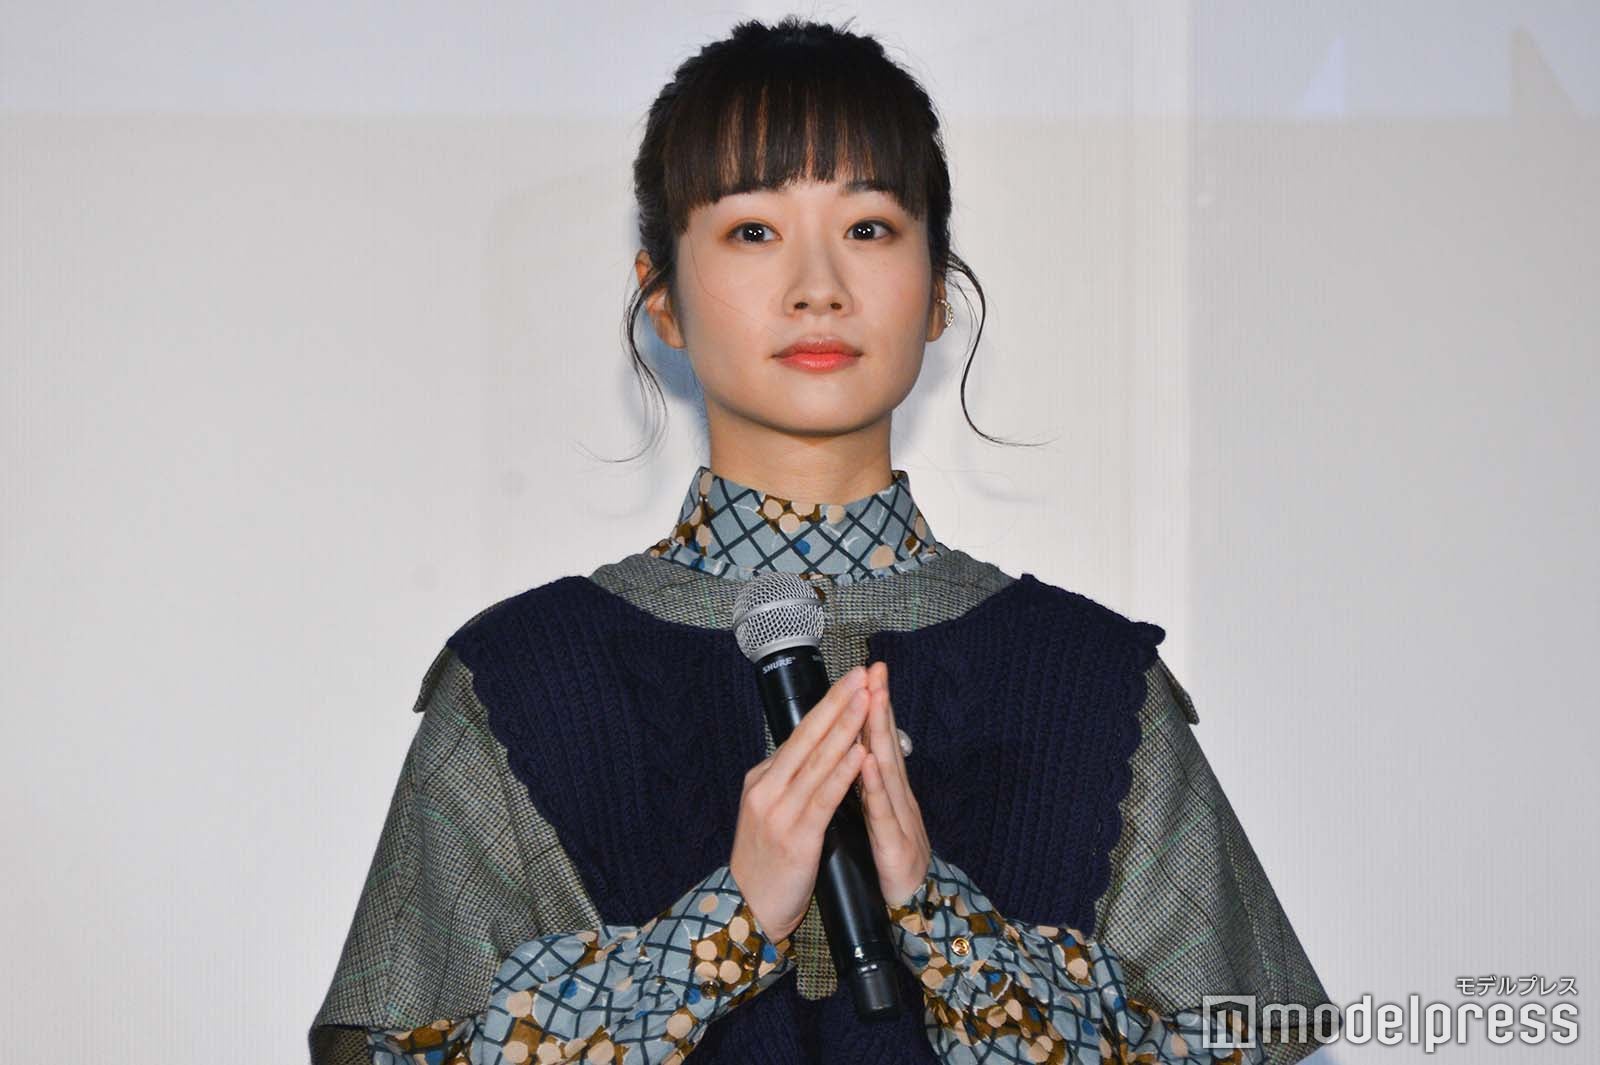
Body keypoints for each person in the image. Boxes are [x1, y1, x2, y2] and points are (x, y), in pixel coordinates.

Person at [308, 16, 1332, 1065]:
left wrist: (945, 926)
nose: (818, 286)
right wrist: (721, 931)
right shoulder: (524, 677)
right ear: (660, 297)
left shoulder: (1092, 678)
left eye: (869, 227)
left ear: (937, 292)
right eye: (753, 231)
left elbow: (1240, 1037)